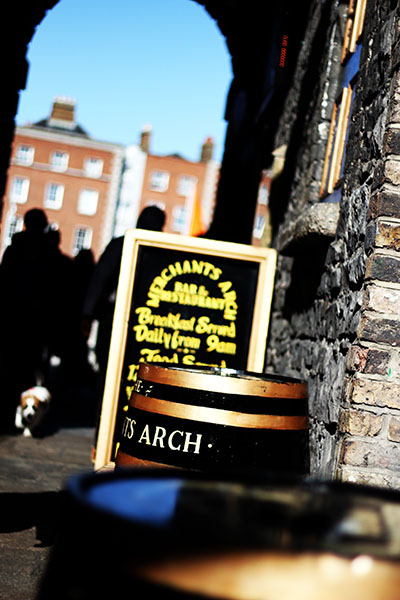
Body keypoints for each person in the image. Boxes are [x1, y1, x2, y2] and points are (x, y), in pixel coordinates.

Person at [81, 206, 166, 418]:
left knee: (109, 371)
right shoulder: (157, 251)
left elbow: (98, 280)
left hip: (115, 318)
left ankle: (106, 416)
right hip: (139, 323)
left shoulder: (122, 244)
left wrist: (87, 315)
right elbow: (99, 281)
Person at [0, 209, 69, 431]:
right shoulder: (51, 256)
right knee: (33, 371)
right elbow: (57, 291)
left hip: (12, 318)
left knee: (8, 367)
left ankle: (8, 413)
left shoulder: (14, 249)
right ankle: (28, 415)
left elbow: (4, 281)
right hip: (39, 322)